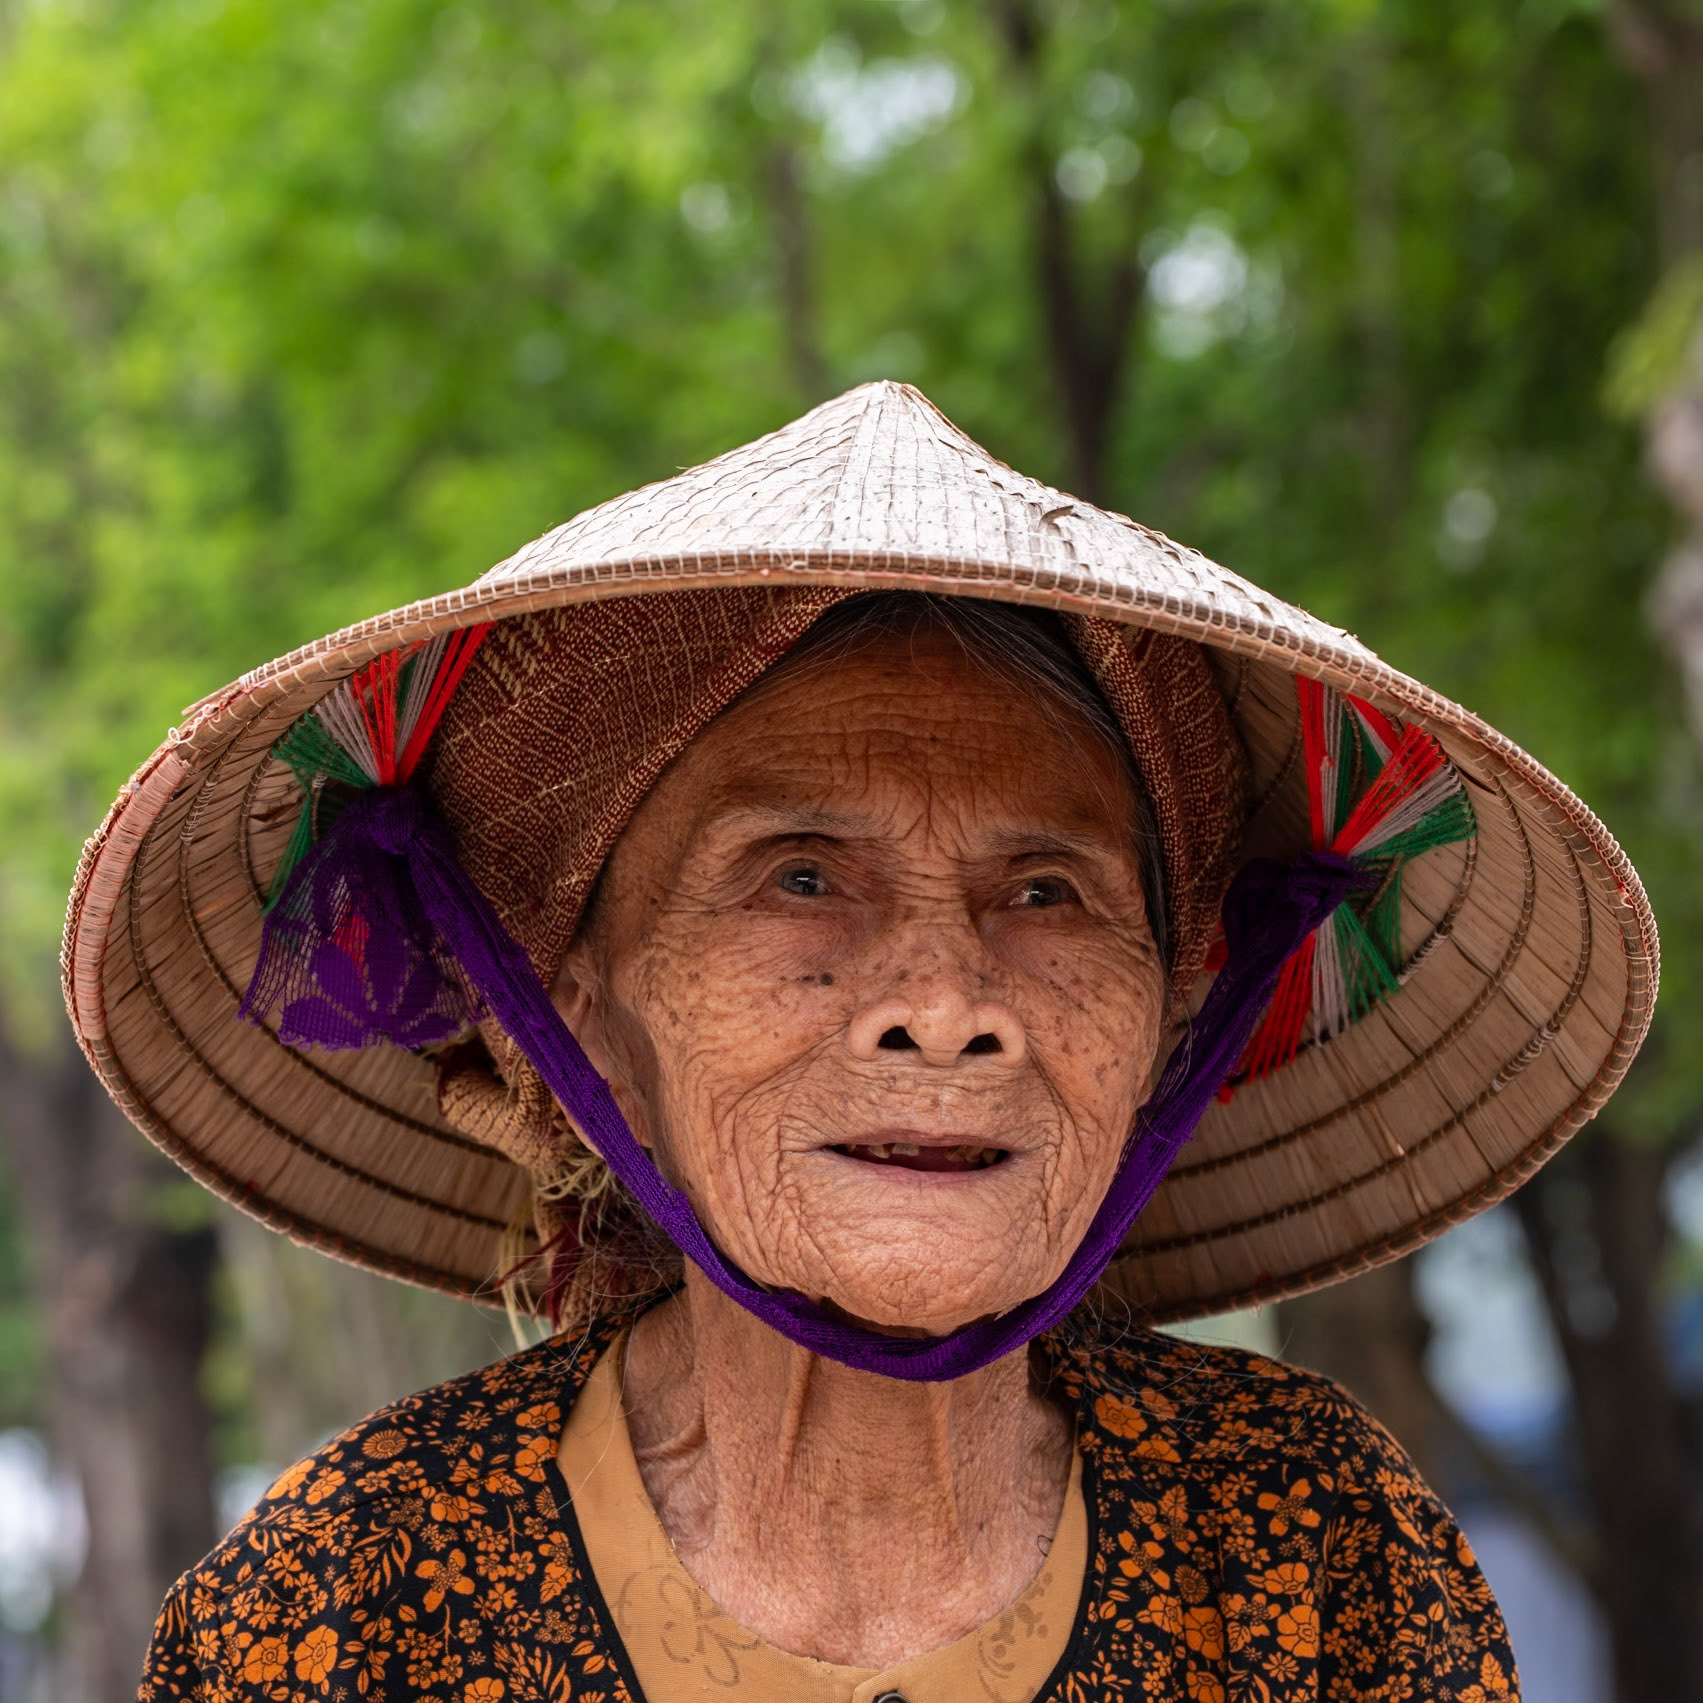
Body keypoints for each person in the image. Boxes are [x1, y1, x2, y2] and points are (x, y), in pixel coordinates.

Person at [69, 382, 1653, 1701]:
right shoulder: (348, 1601)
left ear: (1177, 1008)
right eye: (801, 877)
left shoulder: (1312, 1552)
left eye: (1047, 891)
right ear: (573, 1008)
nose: (943, 1001)